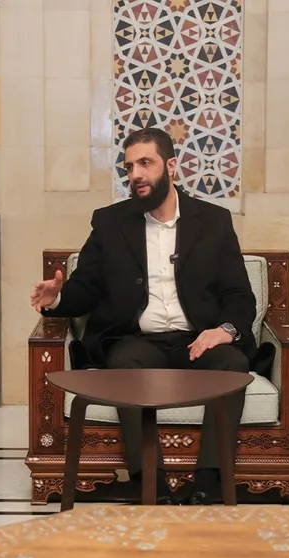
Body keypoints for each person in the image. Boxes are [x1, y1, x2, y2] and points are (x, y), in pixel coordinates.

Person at [30, 127, 256, 505]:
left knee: (234, 363)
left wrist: (225, 330)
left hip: (197, 341)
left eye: (145, 163)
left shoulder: (214, 221)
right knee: (123, 364)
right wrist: (57, 298)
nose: (136, 174)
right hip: (138, 343)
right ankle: (151, 481)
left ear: (171, 166)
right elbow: (86, 288)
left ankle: (208, 479)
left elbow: (239, 294)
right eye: (130, 166)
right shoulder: (110, 222)